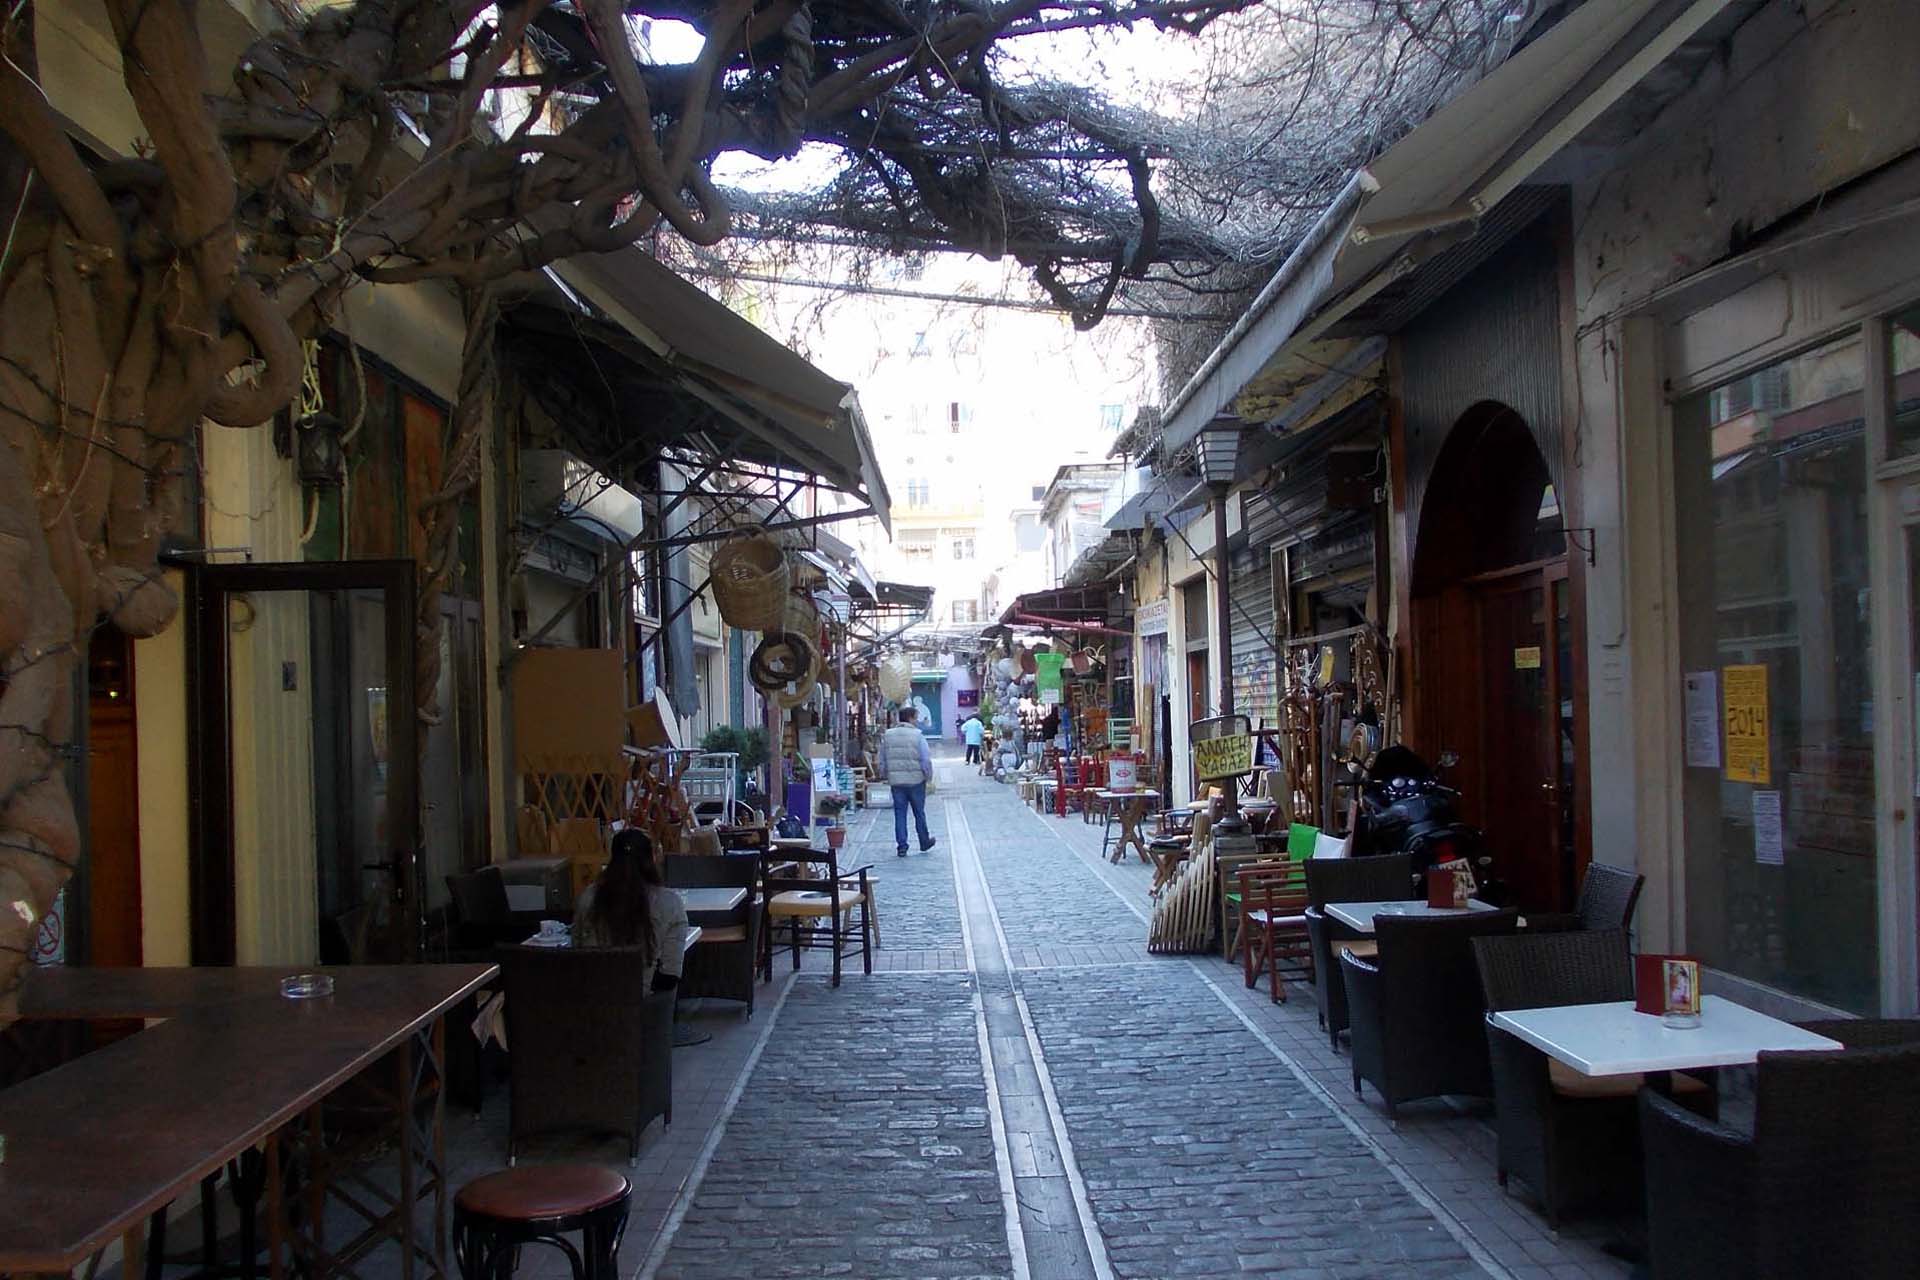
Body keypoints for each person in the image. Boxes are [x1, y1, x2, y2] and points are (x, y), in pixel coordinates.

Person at [573, 828, 689, 992]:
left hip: (593, 1004)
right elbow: (670, 976)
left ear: (612, 860)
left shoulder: (588, 898)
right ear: (652, 859)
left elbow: (577, 953)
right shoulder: (670, 903)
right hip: (646, 1009)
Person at [880, 706, 937, 858]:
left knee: (900, 813)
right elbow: (925, 759)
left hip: (896, 782)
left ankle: (902, 846)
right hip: (916, 781)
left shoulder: (888, 735)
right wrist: (928, 776)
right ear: (911, 718)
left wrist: (885, 774)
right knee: (919, 812)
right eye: (916, 717)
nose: (917, 721)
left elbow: (883, 758)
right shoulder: (917, 735)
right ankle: (924, 841)